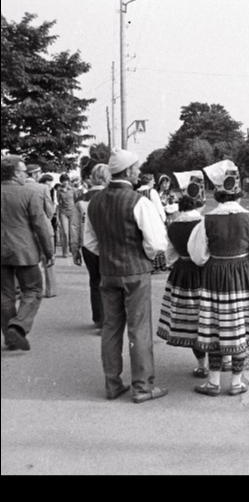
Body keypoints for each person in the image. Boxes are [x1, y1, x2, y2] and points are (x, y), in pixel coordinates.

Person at [85, 148, 170, 403]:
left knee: (111, 328)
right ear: (129, 171)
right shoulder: (138, 201)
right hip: (135, 272)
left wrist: (109, 253)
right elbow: (157, 243)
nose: (139, 172)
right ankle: (143, 387)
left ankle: (112, 384)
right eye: (137, 168)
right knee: (139, 329)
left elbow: (89, 242)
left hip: (108, 272)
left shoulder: (95, 202)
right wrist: (140, 253)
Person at [188, 159, 249, 396]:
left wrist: (215, 258)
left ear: (217, 195)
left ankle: (214, 382)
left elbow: (197, 255)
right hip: (244, 275)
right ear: (239, 195)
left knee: (216, 328)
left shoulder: (206, 220)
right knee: (241, 327)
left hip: (216, 276)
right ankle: (236, 382)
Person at [1, 155, 55, 351]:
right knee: (32, 290)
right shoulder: (28, 194)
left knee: (5, 295)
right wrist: (49, 252)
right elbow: (40, 226)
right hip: (25, 251)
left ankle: (9, 336)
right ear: (15, 173)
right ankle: (18, 326)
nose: (25, 175)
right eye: (23, 171)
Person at [156, 194, 209, 377]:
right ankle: (223, 360)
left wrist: (177, 263)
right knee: (212, 316)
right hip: (205, 273)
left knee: (191, 321)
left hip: (183, 274)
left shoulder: (173, 226)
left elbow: (169, 255)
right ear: (197, 206)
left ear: (180, 207)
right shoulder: (203, 223)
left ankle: (202, 365)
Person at [71, 163, 111, 331]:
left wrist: (75, 249)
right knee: (109, 283)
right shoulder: (110, 196)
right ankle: (109, 317)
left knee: (95, 282)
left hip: (88, 246)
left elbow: (75, 226)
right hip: (108, 245)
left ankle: (98, 317)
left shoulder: (81, 199)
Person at [26, 164, 57, 298]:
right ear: (35, 174)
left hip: (26, 229)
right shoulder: (43, 188)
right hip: (44, 226)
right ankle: (50, 290)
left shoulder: (19, 188)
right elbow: (49, 212)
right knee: (48, 259)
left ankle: (33, 289)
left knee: (31, 261)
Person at [56, 173, 79, 257]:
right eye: (63, 181)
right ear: (61, 181)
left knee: (73, 232)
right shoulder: (59, 190)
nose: (65, 182)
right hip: (63, 212)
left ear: (68, 181)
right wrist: (58, 217)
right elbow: (58, 203)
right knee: (65, 232)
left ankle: (73, 250)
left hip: (72, 212)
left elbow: (76, 201)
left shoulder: (73, 190)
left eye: (66, 180)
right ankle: (65, 251)